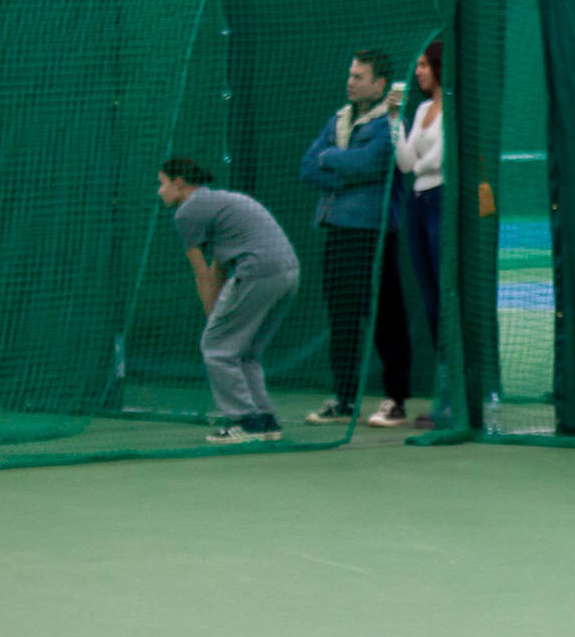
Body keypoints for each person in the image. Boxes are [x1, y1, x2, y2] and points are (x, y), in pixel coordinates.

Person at [298, 49, 414, 426]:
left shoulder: (389, 125)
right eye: (350, 75)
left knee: (385, 316)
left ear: (380, 85)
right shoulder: (339, 119)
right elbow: (308, 166)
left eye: (359, 77)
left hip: (373, 237)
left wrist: (331, 159)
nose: (350, 82)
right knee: (342, 317)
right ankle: (344, 399)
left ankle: (396, 399)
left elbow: (371, 164)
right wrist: (341, 167)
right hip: (336, 232)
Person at [156, 157, 300, 445]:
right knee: (244, 351)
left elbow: (201, 274)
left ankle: (245, 421)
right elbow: (218, 268)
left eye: (162, 184)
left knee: (216, 349)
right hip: (289, 272)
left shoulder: (187, 212)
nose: (159, 191)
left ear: (179, 183)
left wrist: (215, 321)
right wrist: (217, 315)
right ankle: (265, 420)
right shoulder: (222, 200)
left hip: (258, 271)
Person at [394, 41, 447, 428]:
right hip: (417, 206)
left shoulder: (453, 108)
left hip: (442, 201)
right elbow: (409, 162)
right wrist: (394, 123)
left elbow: (438, 159)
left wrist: (422, 167)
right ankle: (443, 399)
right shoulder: (420, 109)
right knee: (430, 302)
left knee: (446, 300)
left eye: (425, 65)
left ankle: (455, 401)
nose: (418, 72)